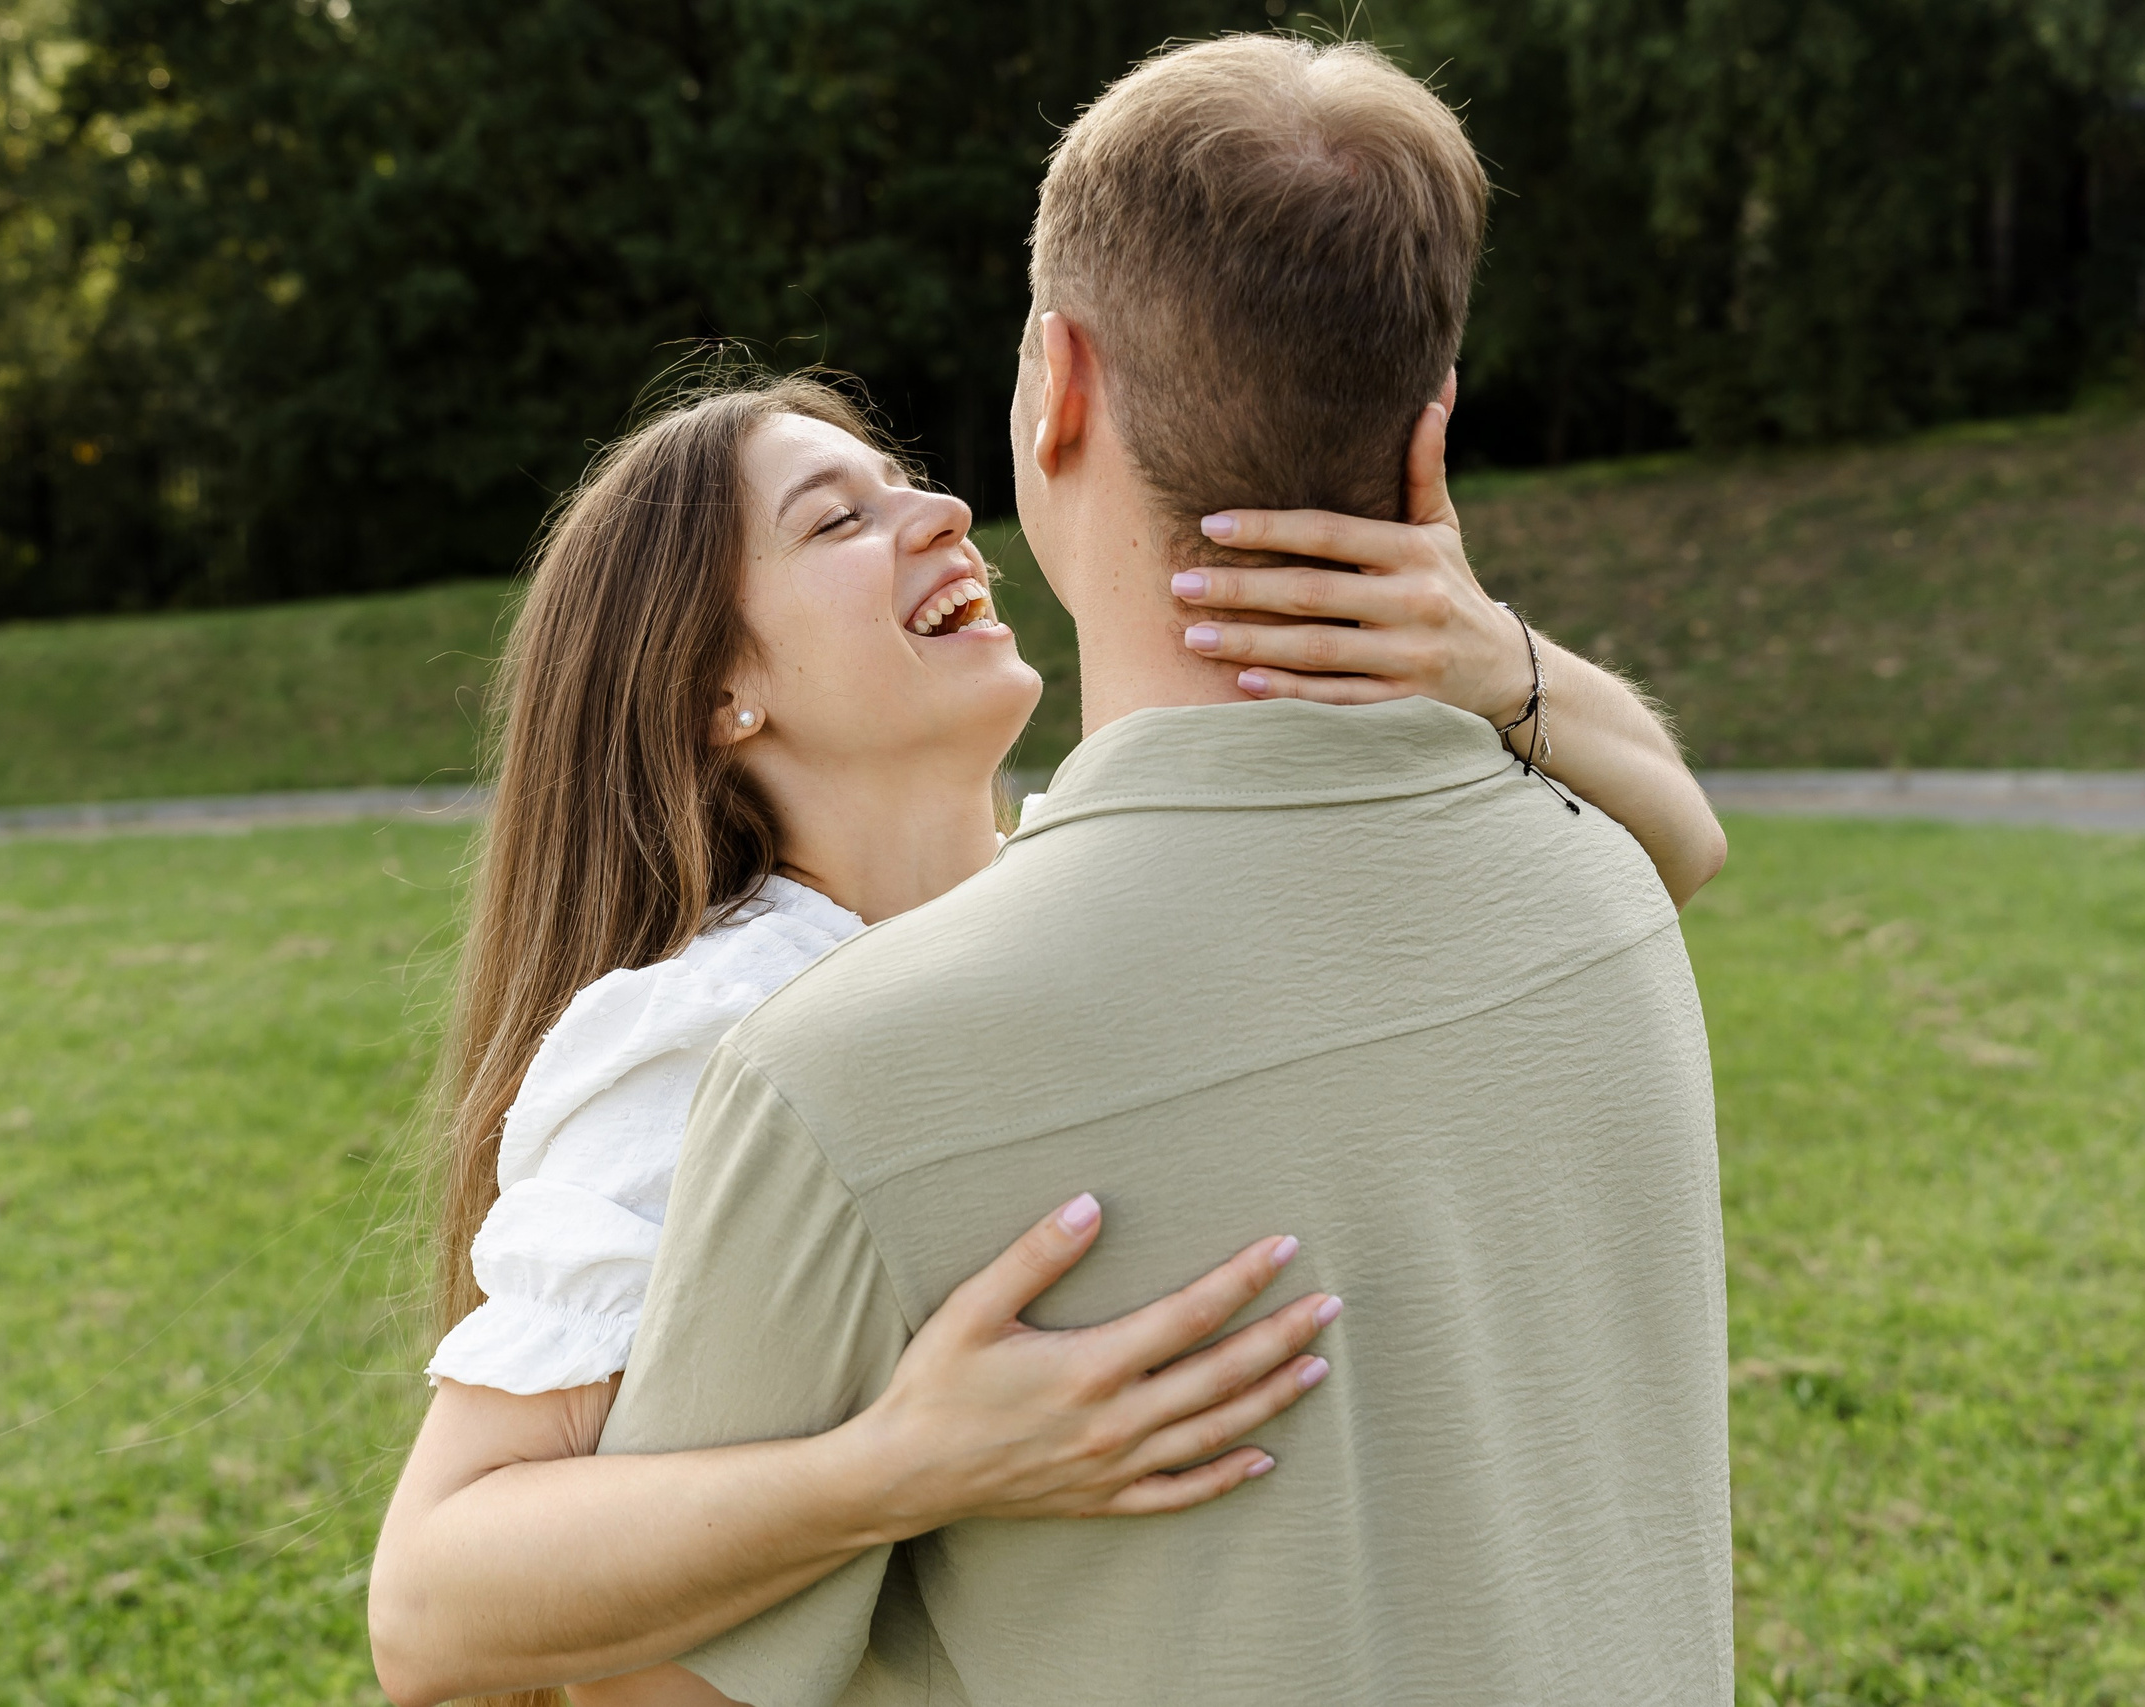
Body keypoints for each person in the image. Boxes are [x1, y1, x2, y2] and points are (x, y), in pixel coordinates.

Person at [590, 34, 1732, 1707]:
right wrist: (1504, 664)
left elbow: (638, 1680)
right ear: (1433, 418)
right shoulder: (1614, 896)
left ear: (1059, 383)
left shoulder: (839, 1074)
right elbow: (1676, 828)